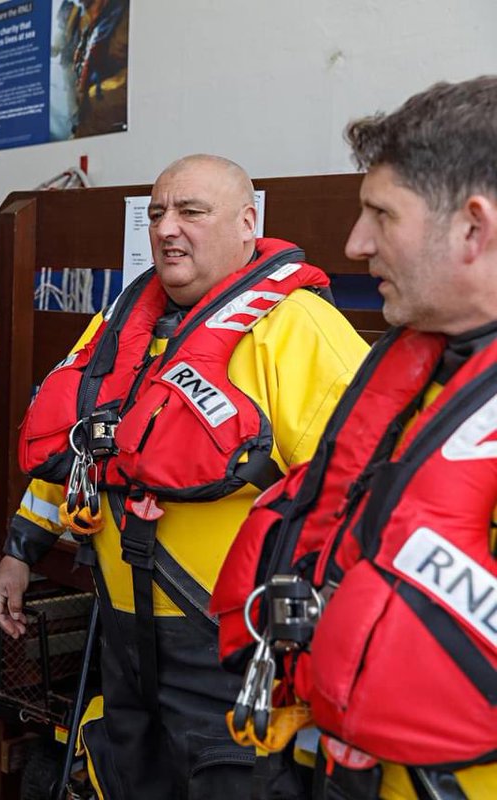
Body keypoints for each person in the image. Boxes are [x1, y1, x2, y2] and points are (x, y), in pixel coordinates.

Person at [0, 154, 369, 799]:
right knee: (127, 775)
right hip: (122, 632)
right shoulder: (119, 325)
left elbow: (362, 488)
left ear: (248, 224)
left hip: (232, 643)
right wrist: (20, 550)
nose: (168, 228)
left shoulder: (299, 329)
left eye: (192, 211)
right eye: (158, 212)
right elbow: (79, 440)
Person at [213, 76, 497, 800]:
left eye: (381, 215)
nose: (355, 243)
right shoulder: (413, 364)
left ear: (474, 227)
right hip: (337, 755)